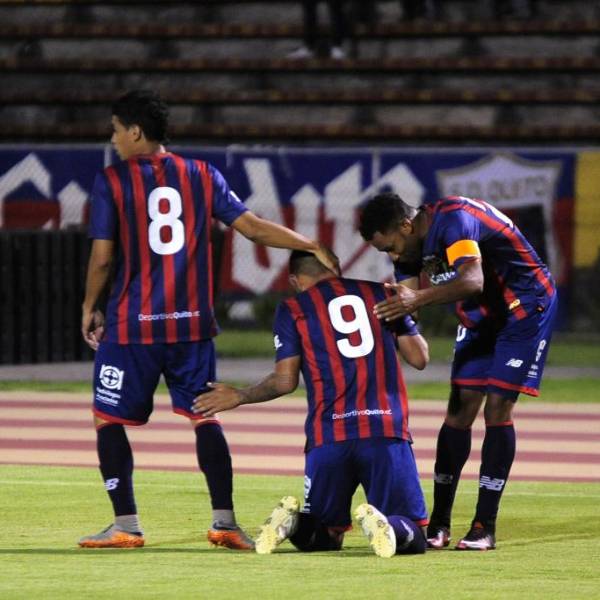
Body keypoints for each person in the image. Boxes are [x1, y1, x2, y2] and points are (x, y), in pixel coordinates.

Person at [78, 90, 339, 550]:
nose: (113, 138)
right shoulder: (202, 174)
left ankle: (126, 525)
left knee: (106, 417)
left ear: (135, 132)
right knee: (205, 417)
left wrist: (89, 305)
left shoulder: (112, 180)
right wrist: (310, 243)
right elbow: (252, 227)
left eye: (116, 130)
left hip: (132, 326)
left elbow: (102, 257)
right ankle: (224, 522)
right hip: (192, 327)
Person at [193, 250, 430, 557]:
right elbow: (419, 358)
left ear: (295, 280)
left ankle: (294, 524)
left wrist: (240, 395)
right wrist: (407, 316)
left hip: (327, 437)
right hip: (383, 429)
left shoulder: (293, 309)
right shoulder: (380, 293)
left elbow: (285, 381)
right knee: (415, 533)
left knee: (325, 536)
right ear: (336, 266)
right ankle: (388, 525)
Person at [358, 192, 557, 551]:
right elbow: (408, 304)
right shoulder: (409, 250)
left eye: (391, 247)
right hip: (480, 315)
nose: (393, 257)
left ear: (406, 225)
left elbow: (472, 280)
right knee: (458, 411)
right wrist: (391, 320)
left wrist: (416, 300)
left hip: (523, 307)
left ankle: (484, 525)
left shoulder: (455, 219)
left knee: (497, 408)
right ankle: (439, 524)